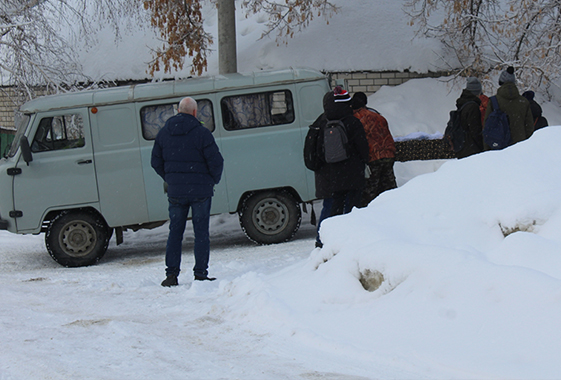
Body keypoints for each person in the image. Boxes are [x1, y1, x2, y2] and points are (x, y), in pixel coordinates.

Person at [151, 97, 224, 287]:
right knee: (201, 233)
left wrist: (170, 179)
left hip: (176, 192)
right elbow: (216, 162)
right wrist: (211, 181)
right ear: (194, 112)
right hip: (201, 191)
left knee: (175, 233)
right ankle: (200, 274)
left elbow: (155, 162)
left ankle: (171, 275)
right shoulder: (202, 133)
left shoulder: (164, 133)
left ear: (178, 111)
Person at [312, 86, 369, 247]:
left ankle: (327, 241)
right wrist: (363, 161)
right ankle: (351, 240)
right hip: (353, 173)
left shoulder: (323, 122)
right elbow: (363, 147)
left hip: (333, 175)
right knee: (353, 209)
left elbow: (318, 151)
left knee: (334, 209)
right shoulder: (352, 122)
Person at [351, 92, 397, 207]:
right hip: (388, 155)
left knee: (370, 193)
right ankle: (394, 210)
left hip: (373, 157)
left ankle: (370, 216)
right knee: (389, 190)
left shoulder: (356, 118)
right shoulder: (377, 115)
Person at [484, 67, 534, 149]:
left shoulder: (494, 101)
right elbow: (529, 128)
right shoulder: (524, 102)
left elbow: (487, 127)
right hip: (520, 148)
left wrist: (487, 149)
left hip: (499, 147)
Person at [453, 77, 484, 158]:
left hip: (462, 147)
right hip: (471, 149)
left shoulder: (463, 103)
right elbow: (475, 131)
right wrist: (482, 146)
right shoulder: (473, 107)